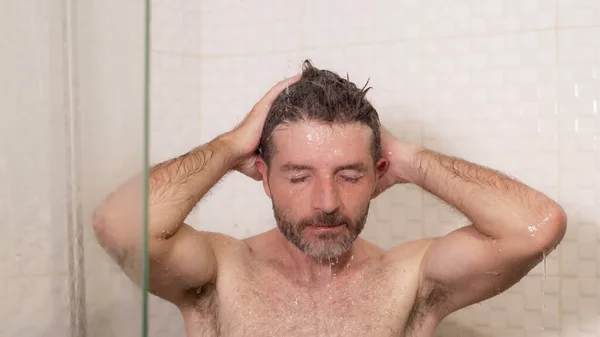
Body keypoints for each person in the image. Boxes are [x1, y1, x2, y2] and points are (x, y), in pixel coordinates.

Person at [93, 60, 567, 337]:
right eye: (298, 176)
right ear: (263, 175)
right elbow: (118, 224)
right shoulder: (221, 272)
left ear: (379, 174)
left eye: (350, 174)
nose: (326, 202)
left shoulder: (408, 279)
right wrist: (230, 145)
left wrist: (406, 156)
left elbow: (536, 227)